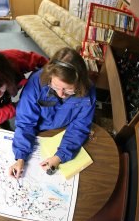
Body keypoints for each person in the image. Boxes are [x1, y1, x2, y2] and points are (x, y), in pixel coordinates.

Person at [9, 47, 96, 178]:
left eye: (68, 90)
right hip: (35, 132)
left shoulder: (88, 91)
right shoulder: (36, 82)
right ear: (50, 77)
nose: (61, 94)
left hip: (62, 132)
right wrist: (20, 158)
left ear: (80, 84)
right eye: (55, 87)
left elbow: (79, 127)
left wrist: (59, 156)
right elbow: (25, 122)